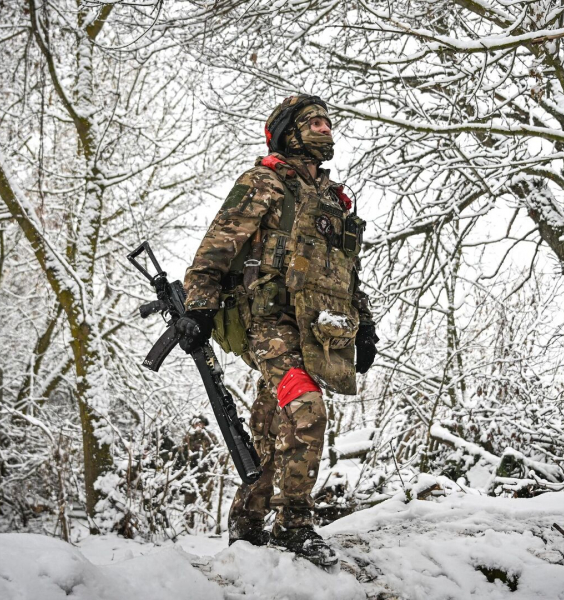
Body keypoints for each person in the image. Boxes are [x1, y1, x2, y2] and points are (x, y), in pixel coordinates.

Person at [176, 94, 377, 567]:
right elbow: (214, 250)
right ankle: (294, 526)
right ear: (289, 133)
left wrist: (365, 325)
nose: (325, 129)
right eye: (314, 123)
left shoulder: (333, 200)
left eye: (328, 123)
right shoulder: (263, 182)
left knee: (273, 425)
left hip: (318, 330)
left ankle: (248, 524)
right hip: (266, 323)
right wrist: (198, 308)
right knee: (306, 410)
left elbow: (346, 274)